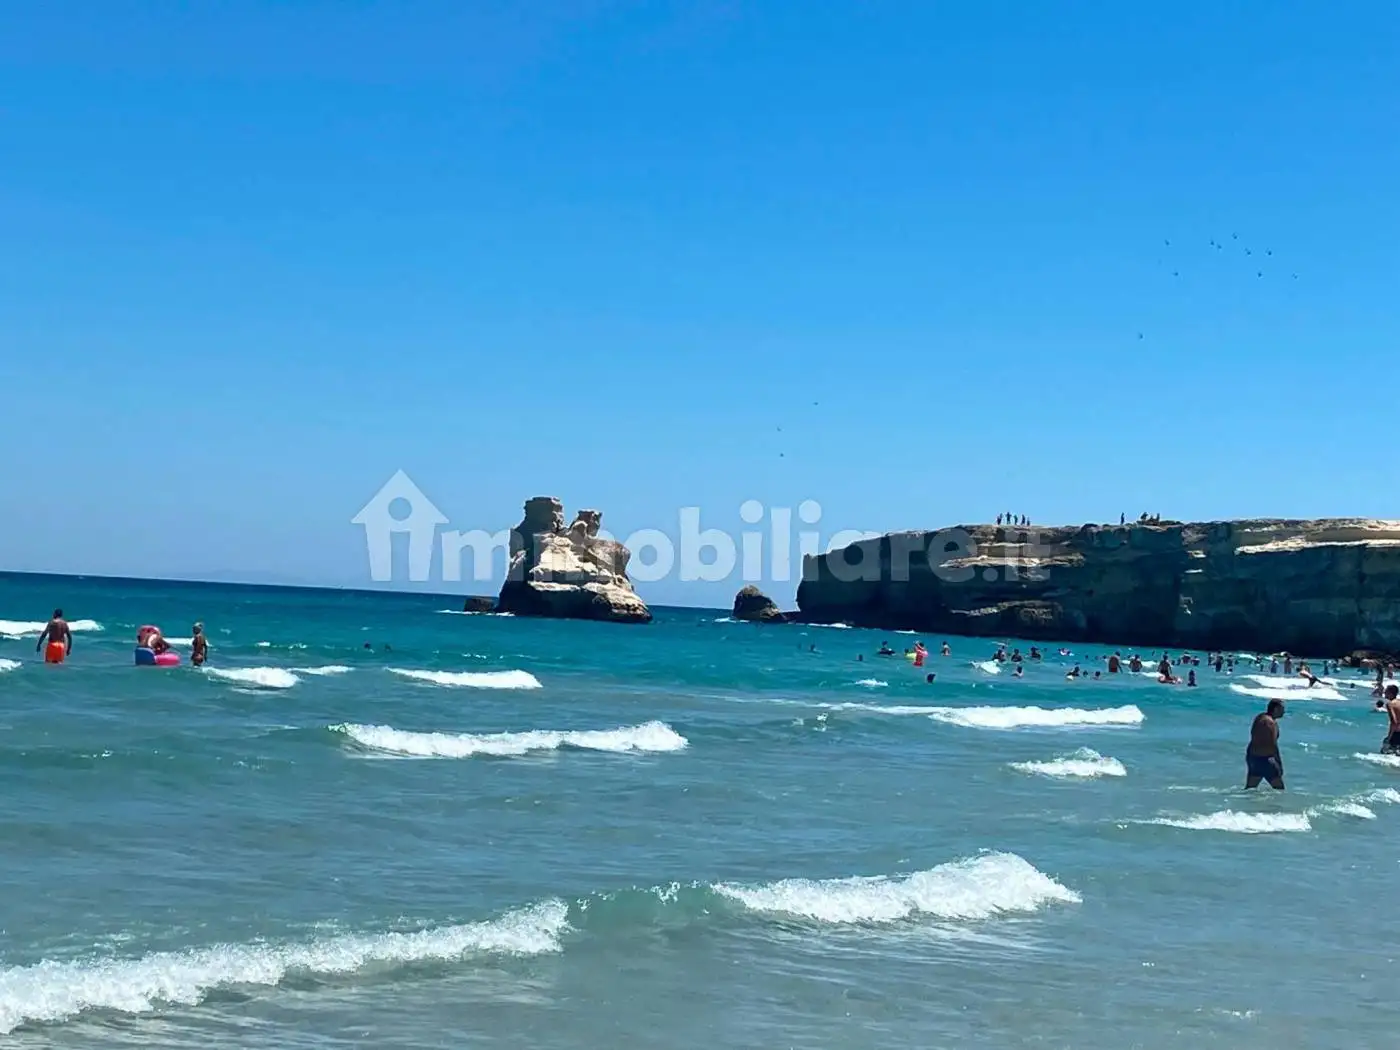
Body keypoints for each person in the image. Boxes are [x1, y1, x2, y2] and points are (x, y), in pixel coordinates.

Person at [1245, 700, 1286, 790]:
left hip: (1253, 757)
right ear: (1275, 709)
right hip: (1265, 760)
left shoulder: (1260, 717)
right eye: (1282, 709)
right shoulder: (1270, 723)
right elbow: (1272, 744)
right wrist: (1279, 763)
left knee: (1249, 789)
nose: (1284, 712)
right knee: (1279, 790)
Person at [1378, 685, 1400, 754]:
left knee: (1386, 753)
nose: (1384, 692)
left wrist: (1389, 737)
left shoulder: (1390, 704)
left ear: (1391, 693)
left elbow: (1394, 722)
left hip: (1397, 734)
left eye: (1386, 691)